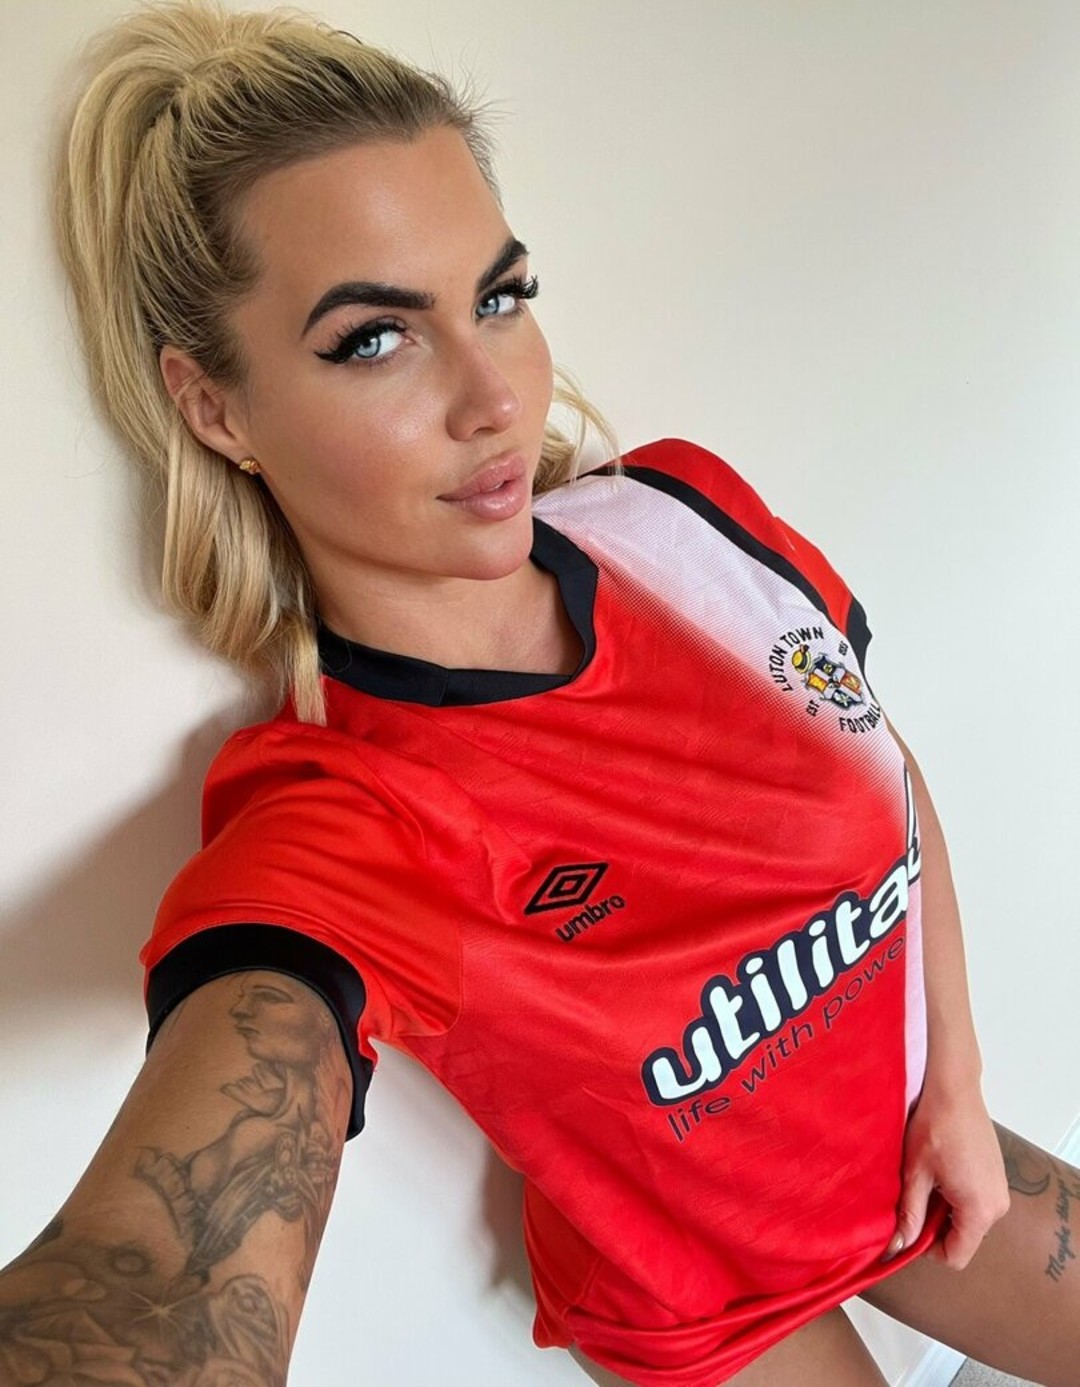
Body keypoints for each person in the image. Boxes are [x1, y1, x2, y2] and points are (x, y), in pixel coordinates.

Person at [0, 2, 1076, 1384]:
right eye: (374, 339)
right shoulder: (349, 815)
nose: (496, 399)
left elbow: (883, 763)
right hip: (709, 1311)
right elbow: (160, 1277)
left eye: (498, 299)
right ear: (215, 406)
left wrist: (960, 1089)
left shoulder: (685, 523)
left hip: (915, 1154)